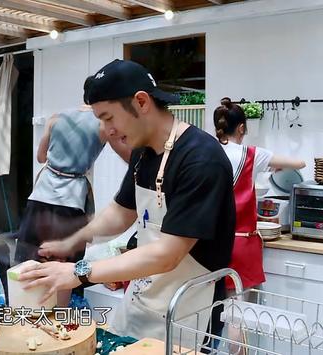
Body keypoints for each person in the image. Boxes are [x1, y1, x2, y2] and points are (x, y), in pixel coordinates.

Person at [18, 59, 236, 346]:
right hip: (143, 296)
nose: (107, 131)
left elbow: (167, 254)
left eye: (109, 117)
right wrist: (72, 241)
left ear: (141, 102)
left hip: (186, 308)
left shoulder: (200, 159)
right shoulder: (142, 153)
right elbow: (120, 213)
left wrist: (79, 272)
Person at [14, 99, 132, 264]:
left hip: (41, 195)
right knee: (65, 264)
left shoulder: (56, 118)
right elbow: (129, 157)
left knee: (30, 256)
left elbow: (41, 157)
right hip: (72, 199)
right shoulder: (102, 125)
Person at [215, 98, 306, 293]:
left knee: (210, 311)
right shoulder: (252, 155)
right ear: (241, 128)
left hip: (209, 245)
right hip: (240, 244)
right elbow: (299, 164)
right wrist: (276, 165)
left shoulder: (206, 151)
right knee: (239, 313)